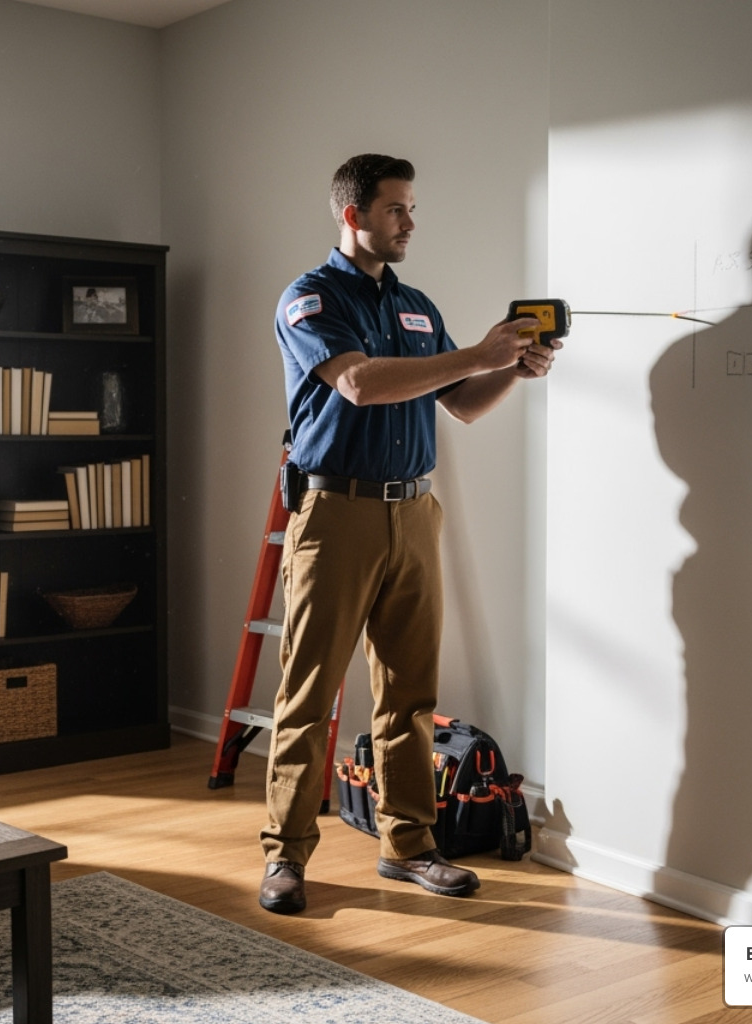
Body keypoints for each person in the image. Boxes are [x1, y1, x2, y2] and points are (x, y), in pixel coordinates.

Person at [259, 153, 559, 914]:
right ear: (352, 214)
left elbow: (461, 401)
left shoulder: (419, 306)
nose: (410, 223)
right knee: (309, 692)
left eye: (413, 208)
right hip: (336, 516)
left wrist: (512, 370)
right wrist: (477, 354)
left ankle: (410, 844)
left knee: (409, 695)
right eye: (397, 209)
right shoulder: (308, 300)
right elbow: (360, 383)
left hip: (414, 514)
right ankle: (286, 856)